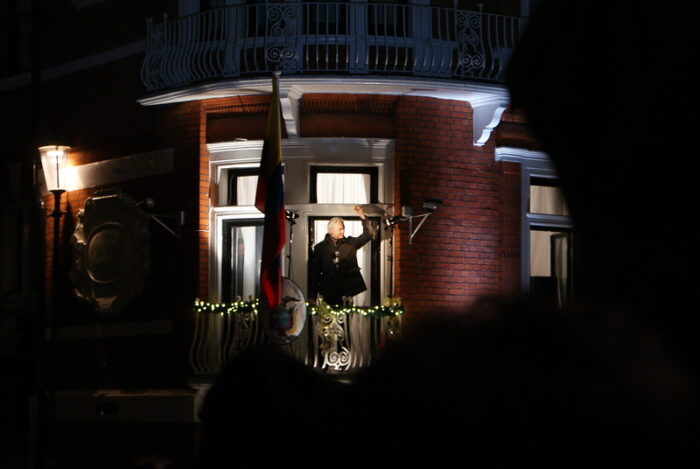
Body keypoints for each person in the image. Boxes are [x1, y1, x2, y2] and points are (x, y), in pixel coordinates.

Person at [309, 205, 375, 306]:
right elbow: (315, 272)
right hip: (328, 290)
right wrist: (312, 296)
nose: (343, 231)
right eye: (340, 229)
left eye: (343, 228)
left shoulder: (351, 243)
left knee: (345, 319)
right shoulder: (320, 248)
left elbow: (369, 234)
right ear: (331, 231)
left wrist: (362, 216)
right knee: (328, 320)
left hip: (347, 291)